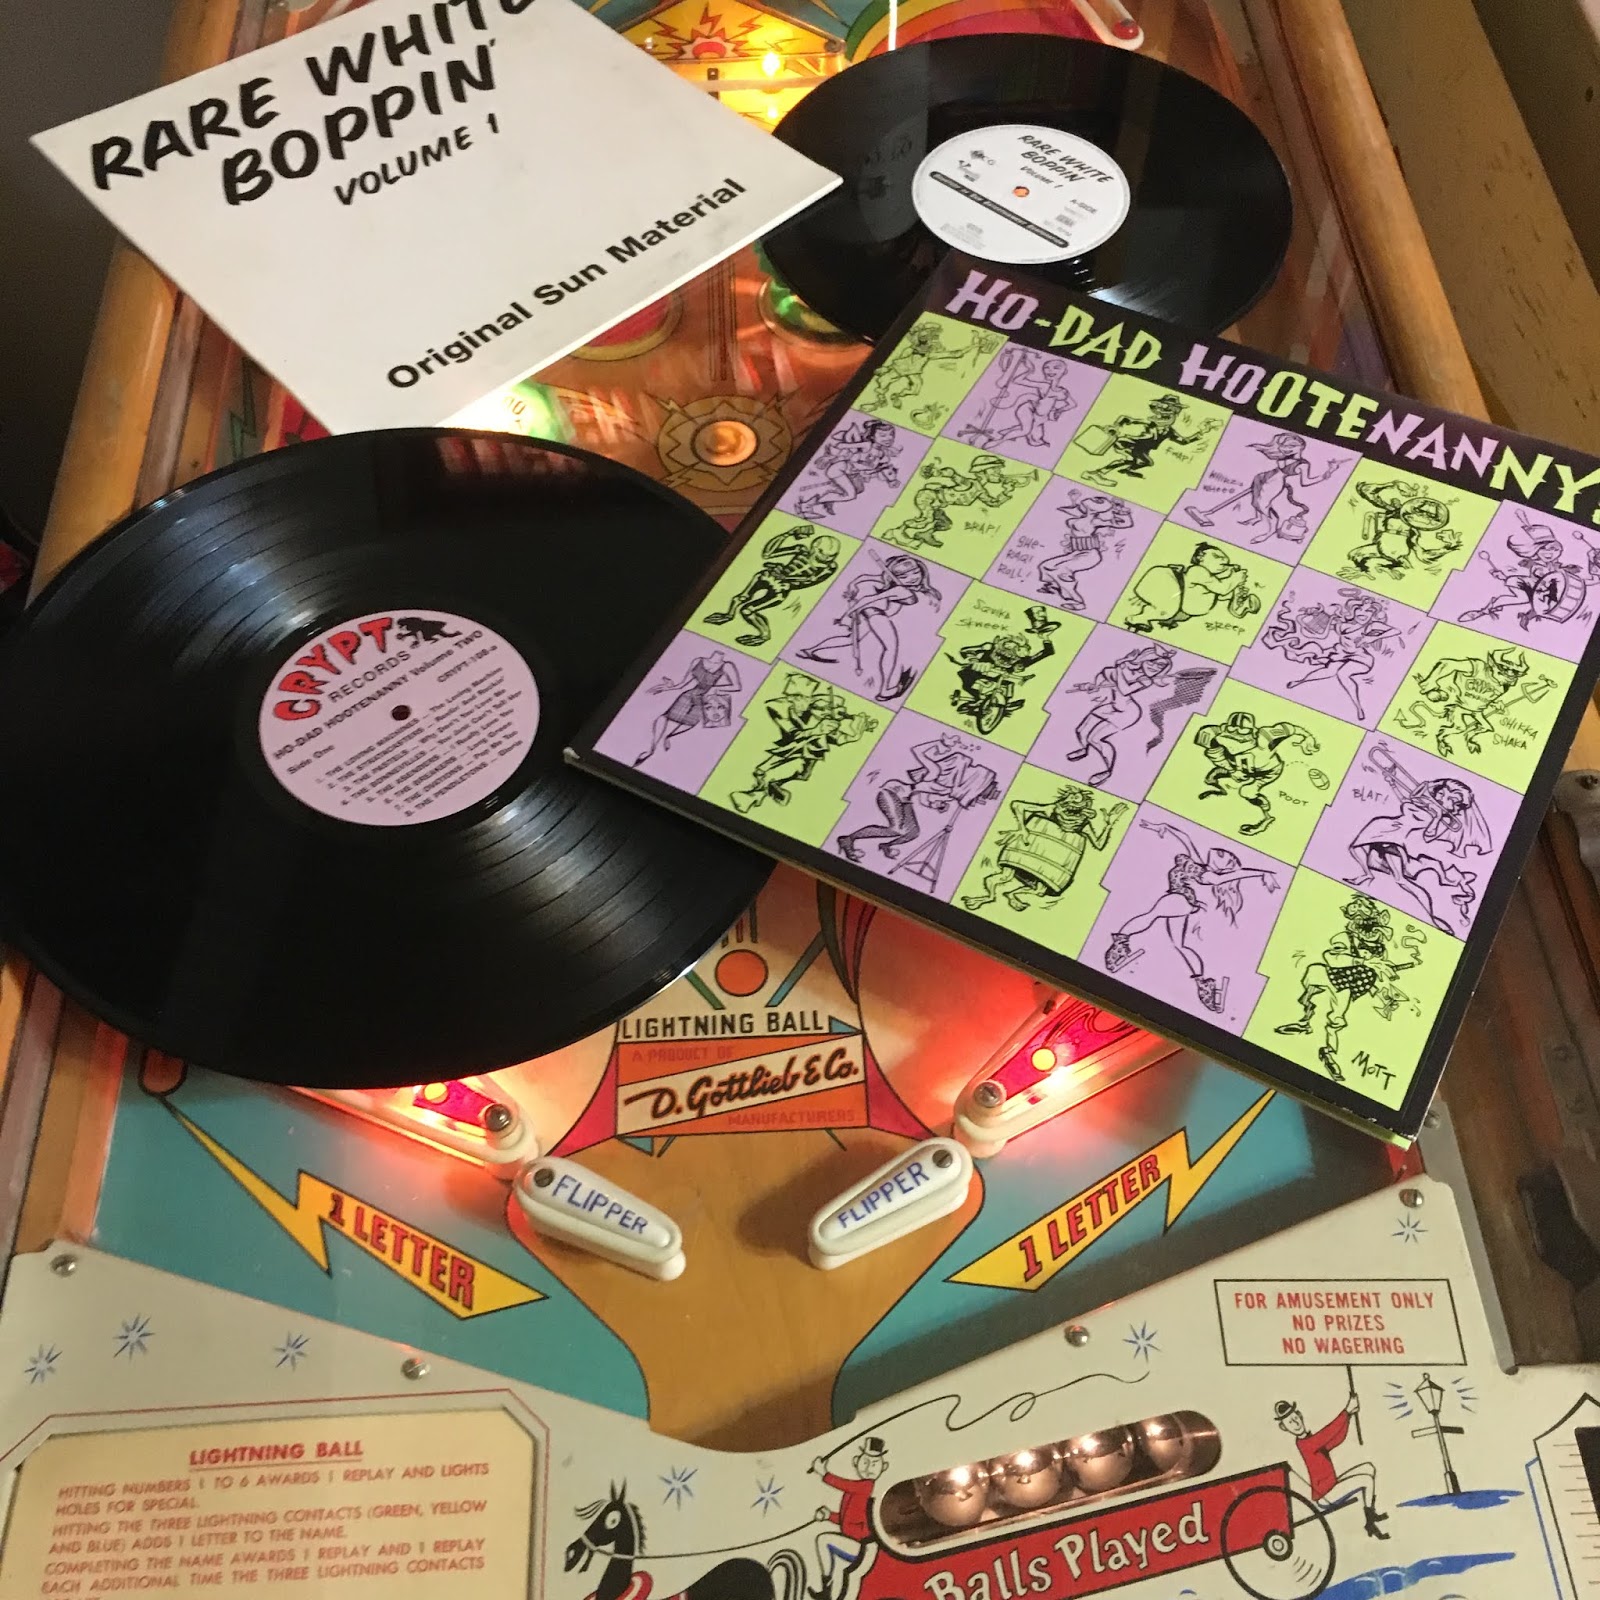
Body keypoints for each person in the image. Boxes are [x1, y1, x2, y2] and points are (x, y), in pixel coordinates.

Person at [1102, 819, 1277, 1013]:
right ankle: (1204, 985)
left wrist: (1263, 873)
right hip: (1181, 902)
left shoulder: (1208, 875)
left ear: (1222, 867)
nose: (1220, 852)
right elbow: (1184, 837)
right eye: (1221, 852)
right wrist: (1162, 827)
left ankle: (1120, 943)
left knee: (1152, 915)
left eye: (1224, 857)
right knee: (1179, 944)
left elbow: (1228, 876)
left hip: (1178, 899)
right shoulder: (1196, 862)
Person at [795, 552, 942, 702]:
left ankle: (809, 651)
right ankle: (886, 690)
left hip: (873, 613)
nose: (912, 578)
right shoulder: (900, 589)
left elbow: (865, 577)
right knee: (890, 649)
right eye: (904, 576)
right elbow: (867, 599)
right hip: (877, 616)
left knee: (850, 639)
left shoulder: (894, 581)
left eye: (915, 572)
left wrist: (853, 584)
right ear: (895, 576)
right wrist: (848, 614)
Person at [836, 736, 997, 864]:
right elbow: (918, 751)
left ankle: (886, 845)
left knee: (912, 832)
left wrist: (936, 805)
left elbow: (924, 799)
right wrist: (941, 743)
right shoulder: (935, 773)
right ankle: (848, 839)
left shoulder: (948, 791)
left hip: (905, 800)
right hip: (891, 793)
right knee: (896, 829)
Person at [1273, 1396, 1389, 1540]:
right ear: (1284, 1428)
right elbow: (1327, 1434)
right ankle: (1370, 1522)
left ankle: (1371, 1513)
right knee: (1365, 1479)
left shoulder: (1310, 1440)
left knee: (1368, 1468)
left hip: (1332, 1486)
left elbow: (1336, 1439)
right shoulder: (1305, 1444)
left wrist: (1349, 1416)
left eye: (1295, 1417)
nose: (1296, 1422)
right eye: (1290, 1422)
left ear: (1300, 1415)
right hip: (1325, 1496)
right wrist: (1346, 1411)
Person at [808, 1439, 889, 1600]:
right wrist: (828, 1516)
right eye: (865, 1462)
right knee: (838, 1566)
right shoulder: (855, 1491)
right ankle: (829, 1591)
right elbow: (847, 1519)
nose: (868, 1468)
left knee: (824, 1540)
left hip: (864, 1547)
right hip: (855, 1544)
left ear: (883, 1466)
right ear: (856, 1461)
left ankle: (826, 1587)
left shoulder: (866, 1486)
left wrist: (823, 1473)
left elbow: (845, 1485)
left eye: (874, 1464)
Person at [634, 651, 741, 766]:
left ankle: (668, 736)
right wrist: (669, 687)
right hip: (689, 695)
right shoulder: (698, 661)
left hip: (705, 699)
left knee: (690, 723)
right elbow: (682, 684)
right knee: (666, 717)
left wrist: (716, 689)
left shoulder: (727, 665)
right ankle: (651, 750)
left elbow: (737, 686)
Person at [1036, 491, 1134, 613]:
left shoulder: (1096, 521)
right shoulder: (1082, 516)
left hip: (1089, 554)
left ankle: (1077, 602)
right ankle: (1054, 586)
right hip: (1076, 553)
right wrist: (1073, 500)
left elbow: (1127, 524)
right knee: (1046, 565)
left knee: (1061, 572)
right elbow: (1069, 509)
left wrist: (1123, 511)